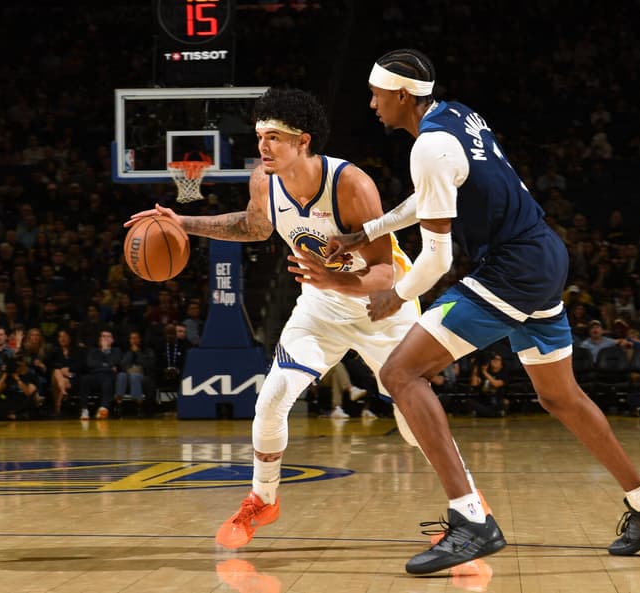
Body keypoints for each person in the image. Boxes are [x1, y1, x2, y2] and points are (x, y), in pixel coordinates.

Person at [326, 49, 640, 573]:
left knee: (400, 373)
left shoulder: (428, 147)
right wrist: (370, 231)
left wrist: (396, 296)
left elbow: (439, 256)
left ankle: (469, 520)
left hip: (511, 268)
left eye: (377, 93)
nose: (372, 103)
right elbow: (433, 197)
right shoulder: (458, 115)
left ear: (402, 95)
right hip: (542, 253)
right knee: (560, 397)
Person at [125, 88, 483, 557]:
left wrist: (334, 280)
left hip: (383, 313)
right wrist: (182, 223)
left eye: (275, 137)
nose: (264, 146)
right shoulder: (263, 180)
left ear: (303, 141)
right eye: (260, 136)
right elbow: (255, 227)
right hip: (320, 309)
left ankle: (470, 507)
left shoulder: (351, 184)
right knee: (271, 398)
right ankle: (262, 499)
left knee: (412, 423)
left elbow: (385, 274)